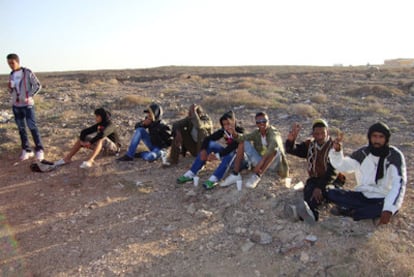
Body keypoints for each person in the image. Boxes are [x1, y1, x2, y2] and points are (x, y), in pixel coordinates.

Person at [328, 122, 407, 225]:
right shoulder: (363, 153)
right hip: (362, 194)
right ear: (369, 137)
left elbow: (399, 184)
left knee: (387, 208)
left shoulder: (394, 156)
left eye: (381, 137)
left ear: (386, 138)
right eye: (374, 136)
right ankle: (358, 211)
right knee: (331, 192)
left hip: (382, 197)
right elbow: (343, 166)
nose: (377, 140)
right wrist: (337, 152)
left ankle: (351, 211)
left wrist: (388, 209)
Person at [284, 119, 345, 223]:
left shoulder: (334, 147)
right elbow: (294, 150)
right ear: (313, 134)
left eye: (322, 133)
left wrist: (320, 187)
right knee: (309, 191)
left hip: (331, 180)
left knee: (323, 192)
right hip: (315, 179)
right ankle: (305, 213)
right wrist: (291, 140)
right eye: (316, 133)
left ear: (327, 133)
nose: (320, 136)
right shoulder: (310, 144)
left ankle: (311, 214)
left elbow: (333, 171)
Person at [176, 111, 244, 190]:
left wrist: (217, 156)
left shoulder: (240, 131)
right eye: (224, 124)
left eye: (228, 124)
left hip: (241, 161)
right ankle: (191, 173)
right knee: (211, 144)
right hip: (228, 158)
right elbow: (208, 138)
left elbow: (233, 146)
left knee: (231, 152)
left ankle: (214, 178)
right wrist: (203, 150)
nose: (227, 127)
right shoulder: (224, 131)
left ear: (234, 122)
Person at [220, 112, 288, 189]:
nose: (261, 123)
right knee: (243, 142)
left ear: (268, 121)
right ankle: (235, 174)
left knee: (275, 150)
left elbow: (272, 148)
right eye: (259, 122)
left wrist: (259, 165)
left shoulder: (274, 133)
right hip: (261, 161)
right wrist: (234, 133)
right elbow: (243, 137)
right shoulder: (257, 132)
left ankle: (257, 176)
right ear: (256, 123)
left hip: (274, 164)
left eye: (264, 121)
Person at [6, 53, 44, 161]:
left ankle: (39, 149)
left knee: (32, 127)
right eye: (9, 63)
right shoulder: (11, 74)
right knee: (21, 129)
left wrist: (29, 96)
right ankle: (26, 150)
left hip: (27, 105)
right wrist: (10, 88)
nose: (11, 65)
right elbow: (12, 90)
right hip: (16, 105)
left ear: (17, 61)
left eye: (12, 63)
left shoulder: (27, 72)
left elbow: (37, 85)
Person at [54, 108, 120, 168]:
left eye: (97, 116)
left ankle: (90, 160)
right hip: (103, 149)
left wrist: (90, 142)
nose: (95, 118)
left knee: (101, 138)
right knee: (81, 139)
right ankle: (67, 159)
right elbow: (84, 132)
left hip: (114, 149)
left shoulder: (111, 125)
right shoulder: (100, 124)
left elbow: (102, 135)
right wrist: (82, 141)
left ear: (101, 117)